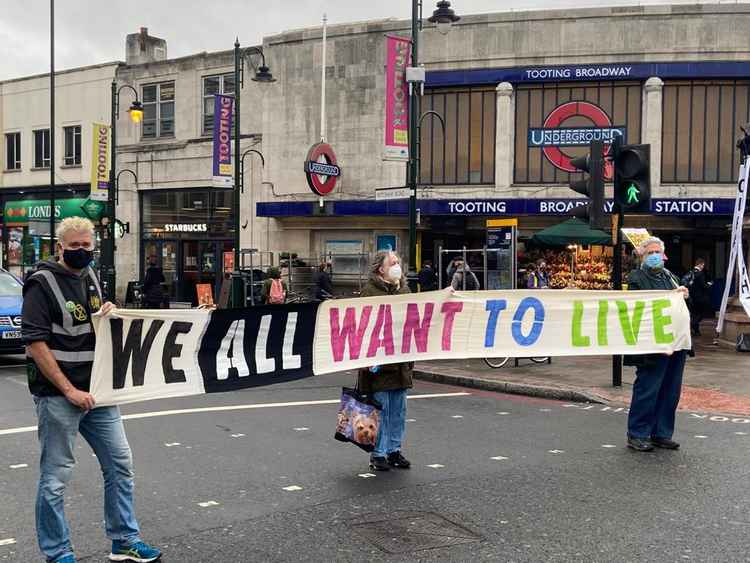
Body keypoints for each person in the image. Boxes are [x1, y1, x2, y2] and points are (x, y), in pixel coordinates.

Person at [21, 217, 161, 563]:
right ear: (60, 247)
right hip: (59, 396)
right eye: (75, 246)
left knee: (120, 464)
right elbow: (36, 345)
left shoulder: (91, 276)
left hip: (97, 392)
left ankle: (124, 540)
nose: (82, 251)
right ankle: (57, 553)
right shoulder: (41, 283)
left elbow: (90, 323)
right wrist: (68, 390)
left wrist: (107, 312)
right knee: (56, 477)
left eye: (87, 246)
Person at [624, 236, 690, 453]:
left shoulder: (670, 276)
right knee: (648, 388)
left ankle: (661, 433)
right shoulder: (636, 277)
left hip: (675, 342)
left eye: (657, 252)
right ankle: (637, 433)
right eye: (649, 253)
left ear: (663, 254)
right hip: (652, 343)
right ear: (642, 256)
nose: (654, 256)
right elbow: (636, 308)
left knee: (670, 390)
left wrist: (683, 294)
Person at [357, 251, 413, 471]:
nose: (397, 265)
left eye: (398, 262)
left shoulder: (405, 290)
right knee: (381, 409)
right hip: (379, 363)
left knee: (399, 410)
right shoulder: (369, 292)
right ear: (381, 269)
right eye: (393, 262)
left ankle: (394, 450)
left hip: (401, 362)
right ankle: (378, 453)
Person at [683, 258, 712, 336]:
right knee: (700, 314)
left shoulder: (691, 272)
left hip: (691, 297)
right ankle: (693, 326)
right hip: (700, 298)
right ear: (699, 264)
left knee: (694, 313)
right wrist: (709, 284)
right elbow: (703, 286)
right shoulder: (700, 274)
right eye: (702, 265)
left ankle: (696, 331)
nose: (703, 266)